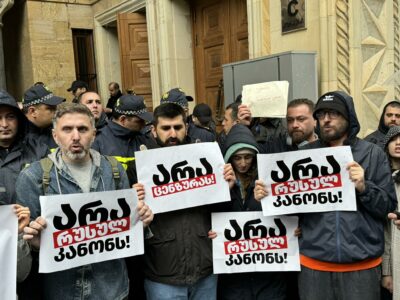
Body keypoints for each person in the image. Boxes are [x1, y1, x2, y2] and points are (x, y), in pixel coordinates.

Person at [255, 91, 396, 300]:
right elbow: (290, 208)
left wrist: (365, 188)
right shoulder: (303, 156)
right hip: (314, 266)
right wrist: (267, 195)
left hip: (361, 266)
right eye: (321, 115)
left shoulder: (372, 154)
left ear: (349, 117)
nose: (326, 120)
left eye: (333, 114)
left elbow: (387, 206)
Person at [17, 103, 153, 300]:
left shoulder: (114, 170)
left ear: (94, 134)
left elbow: (127, 231)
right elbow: (24, 251)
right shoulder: (32, 177)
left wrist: (141, 221)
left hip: (112, 291)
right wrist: (36, 244)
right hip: (61, 292)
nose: (75, 136)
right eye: (67, 129)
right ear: (55, 136)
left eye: (82, 129)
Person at [126, 103, 236, 300]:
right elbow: (131, 226)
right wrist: (133, 200)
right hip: (162, 274)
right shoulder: (138, 168)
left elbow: (221, 211)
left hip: (205, 269)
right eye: (166, 128)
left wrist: (226, 189)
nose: (173, 134)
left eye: (177, 127)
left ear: (186, 127)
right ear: (153, 130)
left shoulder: (207, 158)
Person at [211, 124, 287, 299]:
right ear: (229, 158)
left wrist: (291, 227)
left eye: (248, 157)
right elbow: (212, 215)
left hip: (268, 276)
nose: (243, 163)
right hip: (234, 278)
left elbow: (284, 214)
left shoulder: (268, 179)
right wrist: (225, 192)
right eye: (237, 158)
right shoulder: (219, 183)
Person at [0, 90, 48, 205]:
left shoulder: (39, 150)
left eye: (10, 117)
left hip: (34, 221)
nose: (4, 124)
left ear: (19, 120)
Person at [92, 94, 153, 169]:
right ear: (123, 119)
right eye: (139, 121)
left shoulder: (144, 137)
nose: (144, 124)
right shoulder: (99, 141)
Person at [381, 126, 400, 299]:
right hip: (390, 259)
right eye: (394, 139)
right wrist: (386, 271)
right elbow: (385, 232)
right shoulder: (380, 179)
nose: (399, 143)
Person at [22, 84, 64, 150]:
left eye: (55, 108)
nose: (57, 111)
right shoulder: (19, 141)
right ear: (33, 111)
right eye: (50, 108)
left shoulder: (55, 128)